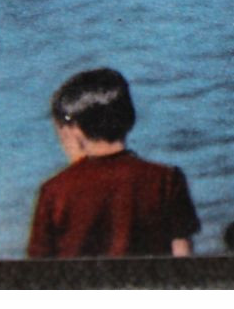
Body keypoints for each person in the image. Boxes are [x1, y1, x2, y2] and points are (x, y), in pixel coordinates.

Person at [27, 68, 200, 258]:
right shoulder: (166, 179)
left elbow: (38, 271)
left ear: (75, 129)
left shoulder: (54, 191)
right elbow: (182, 258)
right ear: (130, 118)